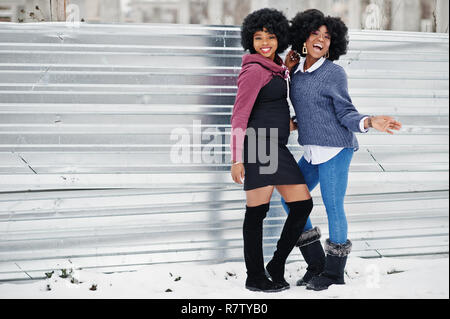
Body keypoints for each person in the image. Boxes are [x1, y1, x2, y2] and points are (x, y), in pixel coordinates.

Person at [283, 9, 402, 291]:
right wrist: (292, 122)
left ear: (332, 44)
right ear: (304, 36)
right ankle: (316, 264)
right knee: (291, 200)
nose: (321, 40)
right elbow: (311, 111)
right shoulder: (296, 72)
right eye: (315, 33)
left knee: (333, 204)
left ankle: (334, 271)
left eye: (327, 37)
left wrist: (370, 121)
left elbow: (345, 112)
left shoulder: (334, 73)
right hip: (312, 150)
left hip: (336, 148)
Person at [230, 8, 313, 292]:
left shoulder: (273, 67)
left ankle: (275, 265)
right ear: (250, 41)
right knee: (257, 213)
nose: (264, 42)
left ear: (279, 38)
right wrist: (237, 159)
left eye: (270, 36)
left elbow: (270, 105)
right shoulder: (254, 70)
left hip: (275, 144)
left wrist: (287, 69)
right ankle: (255, 276)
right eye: (258, 37)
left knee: (302, 205)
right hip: (260, 145)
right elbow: (239, 116)